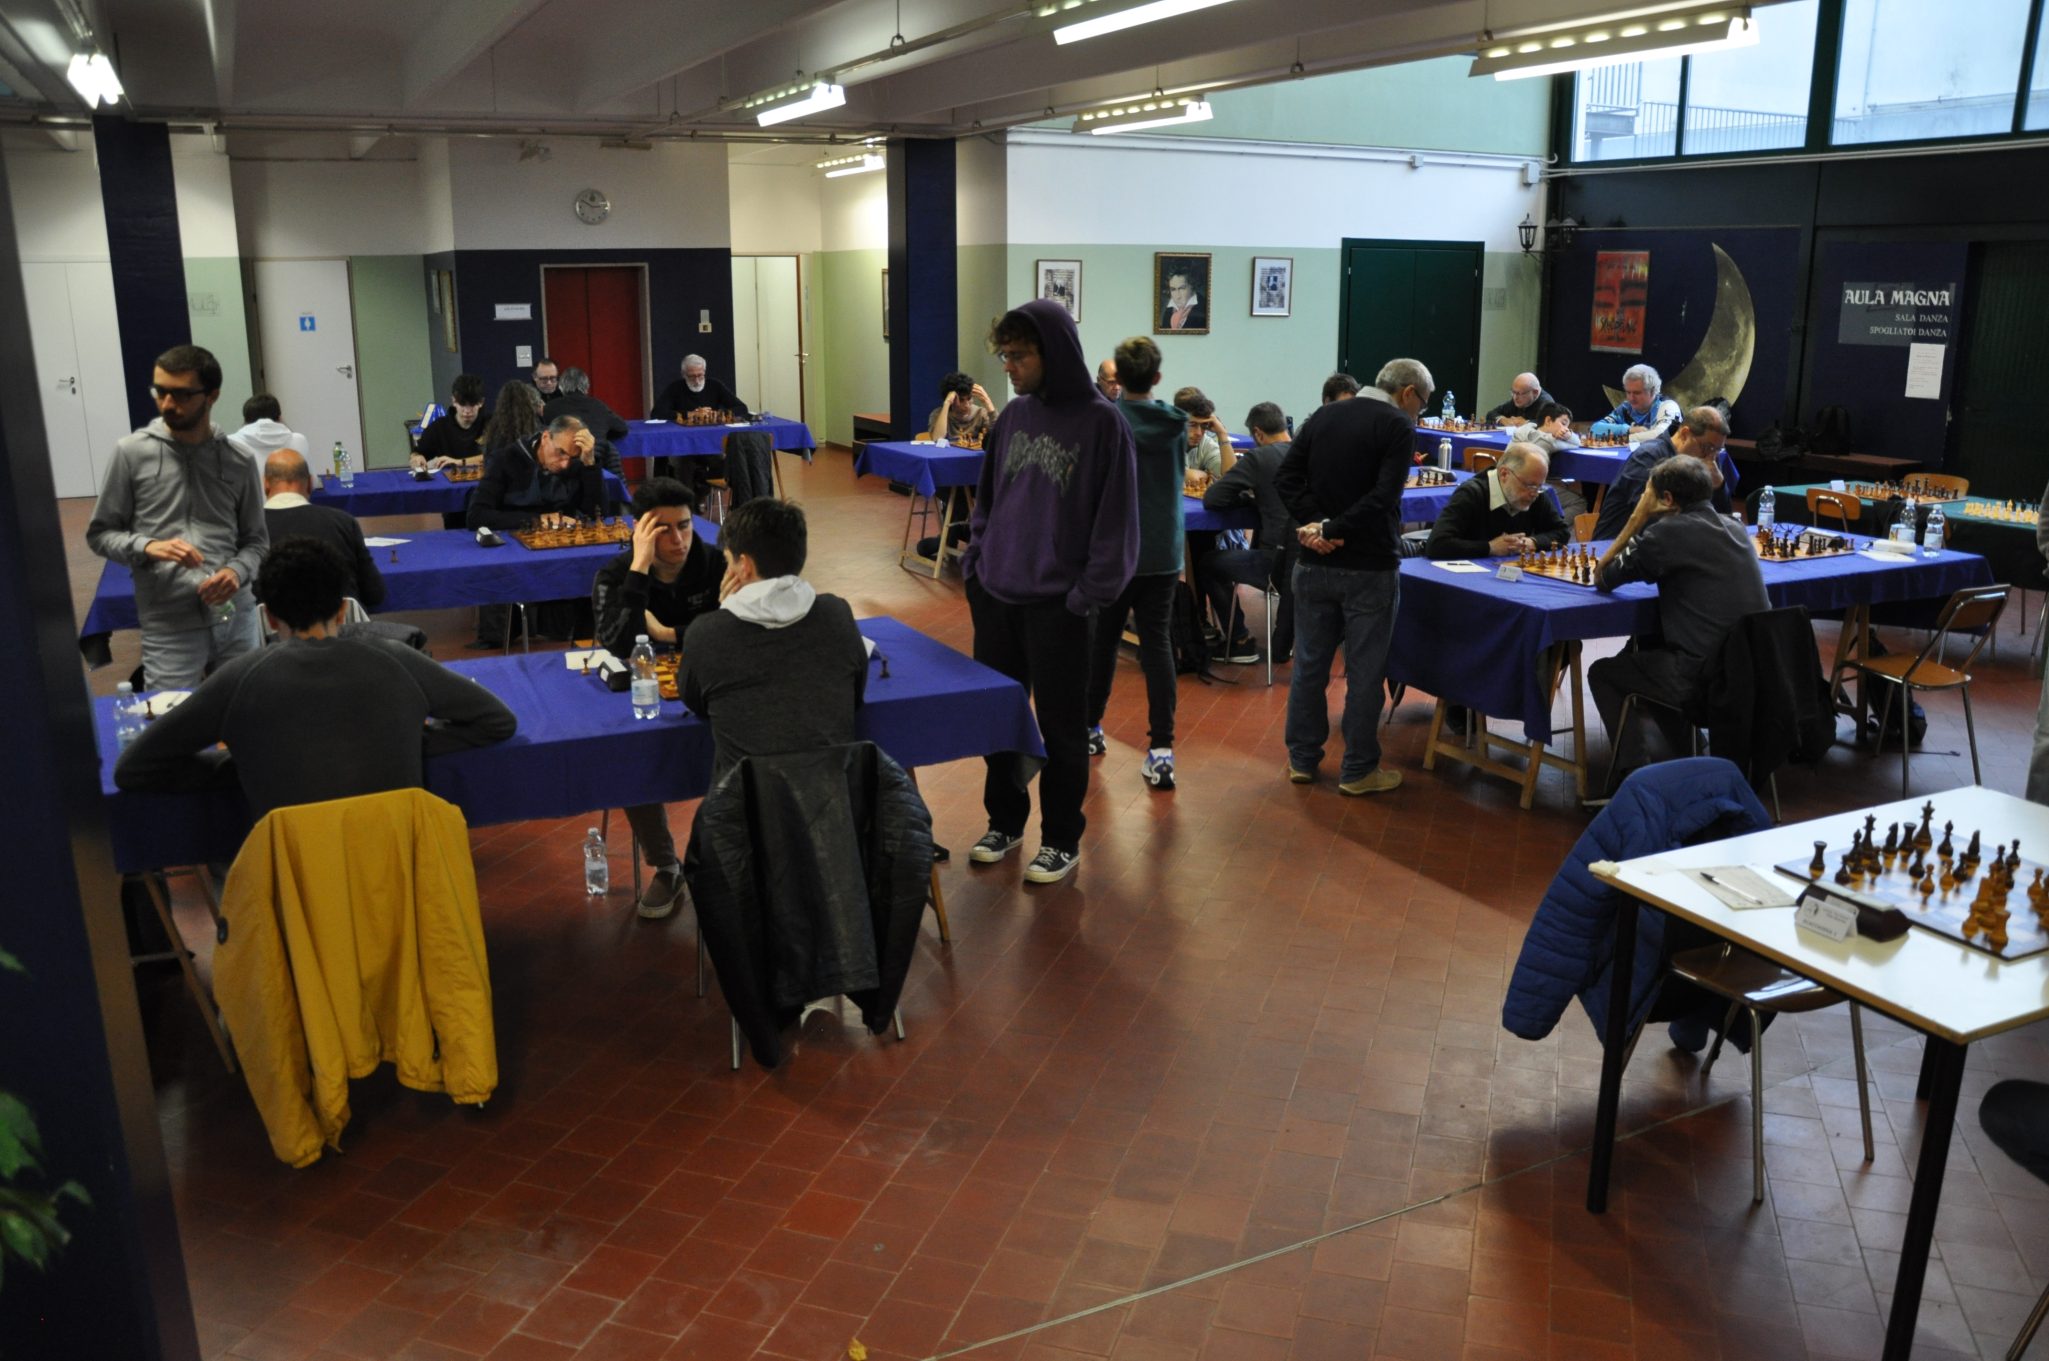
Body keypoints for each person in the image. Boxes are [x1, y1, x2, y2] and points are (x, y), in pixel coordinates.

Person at [113, 537, 516, 822]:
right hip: (395, 875)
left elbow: (134, 768)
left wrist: (243, 761)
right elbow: (497, 721)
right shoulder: (399, 660)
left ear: (269, 618)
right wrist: (408, 740)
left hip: (294, 890)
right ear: (343, 610)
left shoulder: (237, 679)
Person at [961, 299, 1138, 885]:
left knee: (1063, 730)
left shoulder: (1102, 421)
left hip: (1062, 606)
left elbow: (1117, 524)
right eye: (1005, 356)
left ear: (1052, 352)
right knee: (999, 720)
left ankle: (1061, 838)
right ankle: (1005, 822)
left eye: (1019, 355)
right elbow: (986, 500)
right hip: (999, 596)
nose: (1009, 367)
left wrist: (1085, 597)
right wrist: (977, 565)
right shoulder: (1012, 417)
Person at [1275, 357, 1429, 796]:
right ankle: (1359, 770)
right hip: (1369, 567)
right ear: (1408, 393)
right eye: (1423, 401)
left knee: (1309, 667)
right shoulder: (1398, 426)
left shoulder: (1323, 415)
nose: (1420, 411)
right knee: (1364, 673)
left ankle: (1302, 761)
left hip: (1314, 563)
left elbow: (1287, 478)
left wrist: (1317, 527)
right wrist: (1333, 528)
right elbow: (1385, 496)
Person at [87, 344, 268, 692]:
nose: (168, 403)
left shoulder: (238, 459)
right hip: (168, 622)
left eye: (182, 394)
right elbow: (100, 534)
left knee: (246, 715)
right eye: (161, 392)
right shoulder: (131, 454)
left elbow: (257, 541)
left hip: (236, 616)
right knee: (172, 726)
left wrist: (235, 571)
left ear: (211, 395)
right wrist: (148, 545)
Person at [1589, 455, 1769, 781]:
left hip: (1703, 679)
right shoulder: (1736, 527)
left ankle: (1633, 772)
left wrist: (1639, 515)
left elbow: (1603, 577)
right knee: (1652, 662)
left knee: (1603, 672)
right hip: (1754, 673)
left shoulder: (1666, 533)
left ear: (1667, 499)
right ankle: (1697, 757)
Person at [594, 478, 723, 919]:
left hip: (709, 689)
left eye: (684, 526)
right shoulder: (616, 574)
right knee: (630, 755)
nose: (678, 539)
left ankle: (727, 859)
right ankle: (667, 866)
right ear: (641, 530)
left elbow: (737, 630)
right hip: (643, 697)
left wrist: (669, 634)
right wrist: (638, 571)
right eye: (663, 530)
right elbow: (612, 644)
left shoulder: (715, 563)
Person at [678, 498, 867, 787]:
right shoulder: (837, 613)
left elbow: (697, 703)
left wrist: (722, 613)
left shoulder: (706, 633)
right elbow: (855, 694)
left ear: (745, 565)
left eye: (729, 561)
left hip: (742, 815)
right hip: (833, 807)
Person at [1084, 336, 1185, 791]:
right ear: (1158, 378)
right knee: (1157, 646)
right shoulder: (1176, 423)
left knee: (1102, 642)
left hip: (1114, 551)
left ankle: (1089, 729)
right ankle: (1162, 750)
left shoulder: (1104, 421)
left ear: (1117, 379)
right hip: (1163, 551)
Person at [1199, 401, 1299, 665]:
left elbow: (1214, 498)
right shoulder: (1309, 452)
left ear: (1257, 433)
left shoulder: (1259, 457)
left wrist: (1249, 497)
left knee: (1208, 563)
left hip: (1275, 566)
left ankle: (1239, 640)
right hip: (1313, 562)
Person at [261, 448, 385, 610]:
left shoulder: (247, 530)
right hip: (342, 631)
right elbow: (375, 594)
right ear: (310, 483)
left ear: (265, 484)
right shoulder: (344, 523)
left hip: (272, 633)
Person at [1592, 405, 1738, 541]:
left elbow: (1723, 521)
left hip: (1665, 547)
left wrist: (1719, 487)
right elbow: (1650, 518)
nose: (1711, 457)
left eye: (1718, 450)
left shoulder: (1707, 459)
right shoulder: (1648, 457)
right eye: (1707, 447)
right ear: (1685, 434)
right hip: (1616, 549)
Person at [1424, 443, 1569, 560]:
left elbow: (1562, 532)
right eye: (1529, 486)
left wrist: (1533, 542)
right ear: (1504, 474)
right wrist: (1490, 548)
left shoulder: (1535, 491)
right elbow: (1437, 545)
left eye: (1539, 486)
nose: (1534, 493)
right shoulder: (1471, 493)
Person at [467, 416, 605, 531]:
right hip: (515, 542)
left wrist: (590, 464)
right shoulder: (505, 459)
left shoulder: (577, 461)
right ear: (545, 437)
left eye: (572, 457)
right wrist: (537, 519)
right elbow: (476, 516)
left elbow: (597, 515)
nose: (565, 465)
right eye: (560, 452)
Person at [229, 394, 322, 485]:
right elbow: (312, 482)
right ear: (279, 417)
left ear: (245, 420)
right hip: (290, 499)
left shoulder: (230, 442)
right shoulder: (298, 440)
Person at [413, 374, 489, 470]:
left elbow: (495, 458)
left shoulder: (492, 425)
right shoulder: (438, 427)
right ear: (454, 401)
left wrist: (458, 462)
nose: (467, 410)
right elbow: (417, 453)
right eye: (462, 404)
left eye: (472, 405)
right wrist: (417, 458)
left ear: (481, 402)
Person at [541, 366, 628, 445]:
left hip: (564, 458)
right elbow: (622, 428)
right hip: (597, 456)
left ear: (561, 386)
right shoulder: (598, 406)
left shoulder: (549, 408)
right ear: (587, 385)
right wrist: (603, 435)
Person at [651, 355, 750, 423]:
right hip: (684, 436)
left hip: (711, 434)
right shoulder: (675, 388)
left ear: (704, 372)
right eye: (692, 376)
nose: (697, 381)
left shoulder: (715, 385)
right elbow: (657, 413)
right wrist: (691, 414)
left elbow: (742, 408)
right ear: (683, 374)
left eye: (700, 375)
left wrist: (713, 414)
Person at [1602, 363, 1683, 442]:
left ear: (1652, 391)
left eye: (1637, 393)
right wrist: (1629, 430)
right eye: (1628, 392)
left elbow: (1660, 434)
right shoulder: (1626, 408)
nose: (1631, 398)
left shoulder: (1669, 406)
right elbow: (1595, 429)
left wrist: (1621, 439)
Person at [1171, 387, 1236, 483]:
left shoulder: (1205, 443)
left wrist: (1222, 434)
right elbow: (1190, 477)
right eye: (1192, 425)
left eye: (1204, 425)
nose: (1199, 433)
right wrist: (1208, 475)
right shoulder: (1165, 439)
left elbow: (1233, 478)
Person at [927, 372, 997, 445]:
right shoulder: (938, 414)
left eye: (969, 398)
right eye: (961, 400)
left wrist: (987, 401)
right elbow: (937, 439)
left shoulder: (980, 413)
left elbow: (1000, 433)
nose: (967, 404)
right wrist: (947, 403)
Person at [1509, 400, 1578, 458]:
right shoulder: (1547, 441)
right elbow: (1576, 444)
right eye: (1563, 424)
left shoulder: (1526, 428)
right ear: (1548, 420)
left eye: (1567, 427)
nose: (1565, 429)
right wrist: (1569, 436)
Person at [1485, 373, 1553, 426]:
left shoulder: (1547, 404)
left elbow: (1550, 424)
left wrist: (1526, 423)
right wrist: (1502, 419)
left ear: (1535, 392)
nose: (1515, 397)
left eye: (1519, 393)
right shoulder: (1517, 399)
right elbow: (1491, 414)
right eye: (1513, 392)